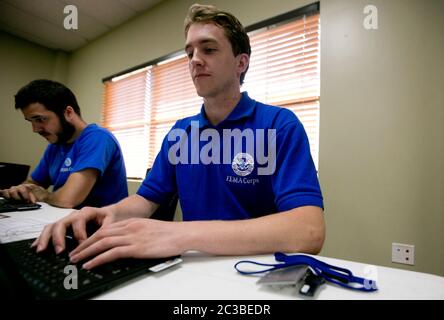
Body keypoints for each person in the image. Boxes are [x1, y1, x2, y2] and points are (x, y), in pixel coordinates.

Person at [33, 4, 325, 269]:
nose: (195, 60)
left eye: (208, 49)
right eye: (189, 53)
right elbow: (145, 201)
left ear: (241, 63)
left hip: (254, 271)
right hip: (192, 266)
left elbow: (308, 230)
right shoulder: (180, 134)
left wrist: (178, 234)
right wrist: (101, 213)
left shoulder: (279, 125)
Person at [0, 79, 128, 208]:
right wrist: (20, 191)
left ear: (68, 113)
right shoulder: (55, 145)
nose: (35, 129)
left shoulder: (98, 138)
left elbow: (67, 200)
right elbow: (34, 184)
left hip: (101, 225)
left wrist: (43, 195)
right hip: (65, 219)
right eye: (30, 121)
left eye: (40, 119)